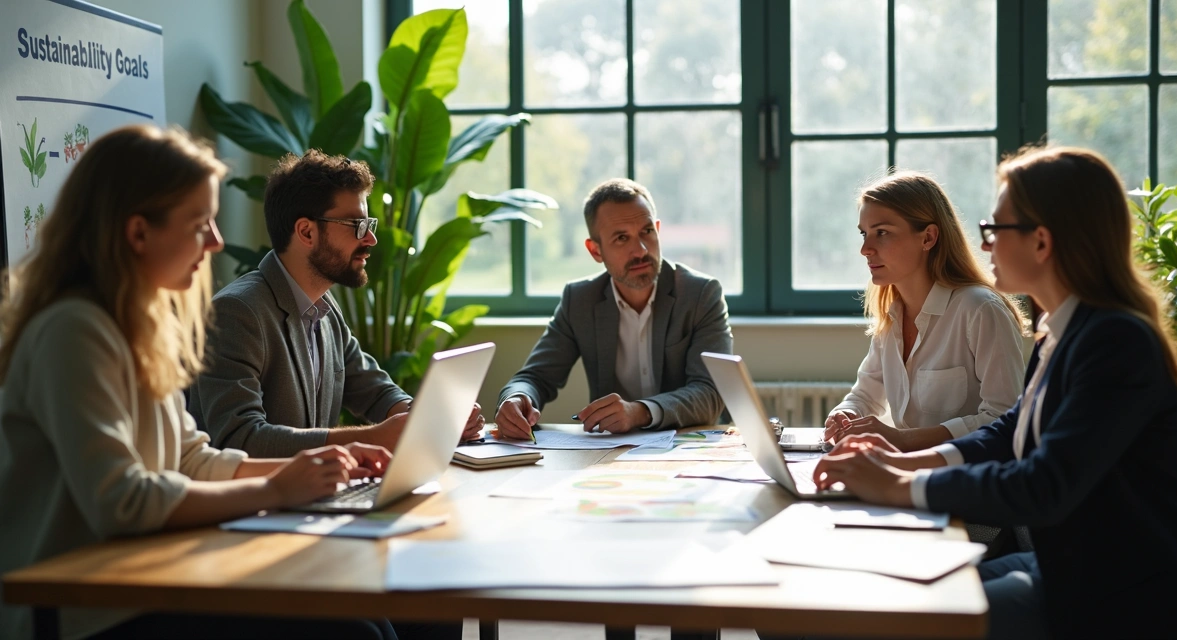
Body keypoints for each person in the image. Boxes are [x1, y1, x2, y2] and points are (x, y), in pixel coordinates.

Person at [0, 125, 399, 640]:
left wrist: (314, 470)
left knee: (379, 621)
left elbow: (191, 460)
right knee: (358, 632)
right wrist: (277, 489)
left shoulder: (139, 323)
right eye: (200, 224)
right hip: (84, 609)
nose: (215, 242)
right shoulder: (73, 330)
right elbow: (122, 500)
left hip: (143, 578)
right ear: (138, 232)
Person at [813, 147, 1177, 639]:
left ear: (1041, 242)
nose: (985, 246)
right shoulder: (1066, 331)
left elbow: (1042, 485)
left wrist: (900, 486)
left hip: (1119, 598)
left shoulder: (1116, 342)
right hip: (1064, 568)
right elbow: (1007, 432)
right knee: (869, 605)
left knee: (889, 622)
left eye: (996, 230)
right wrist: (900, 464)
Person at [188, 150, 483, 459]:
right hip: (252, 505)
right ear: (306, 232)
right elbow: (240, 440)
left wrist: (431, 417)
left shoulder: (324, 309)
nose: (370, 239)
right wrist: (373, 437)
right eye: (356, 225)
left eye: (368, 223)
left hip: (307, 500)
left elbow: (375, 390)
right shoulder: (236, 313)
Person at [496, 178, 732, 438]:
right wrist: (516, 399)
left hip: (690, 446)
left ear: (657, 229)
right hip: (612, 452)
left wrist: (639, 411)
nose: (641, 250)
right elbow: (535, 377)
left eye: (646, 231)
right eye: (622, 238)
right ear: (595, 250)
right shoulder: (580, 300)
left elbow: (710, 394)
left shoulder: (700, 294)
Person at [823, 171, 1027, 452]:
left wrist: (903, 439)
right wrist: (846, 414)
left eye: (881, 233)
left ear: (928, 238)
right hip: (905, 472)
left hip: (964, 480)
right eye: (864, 233)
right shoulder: (891, 314)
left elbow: (1004, 420)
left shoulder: (980, 310)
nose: (865, 249)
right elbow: (864, 396)